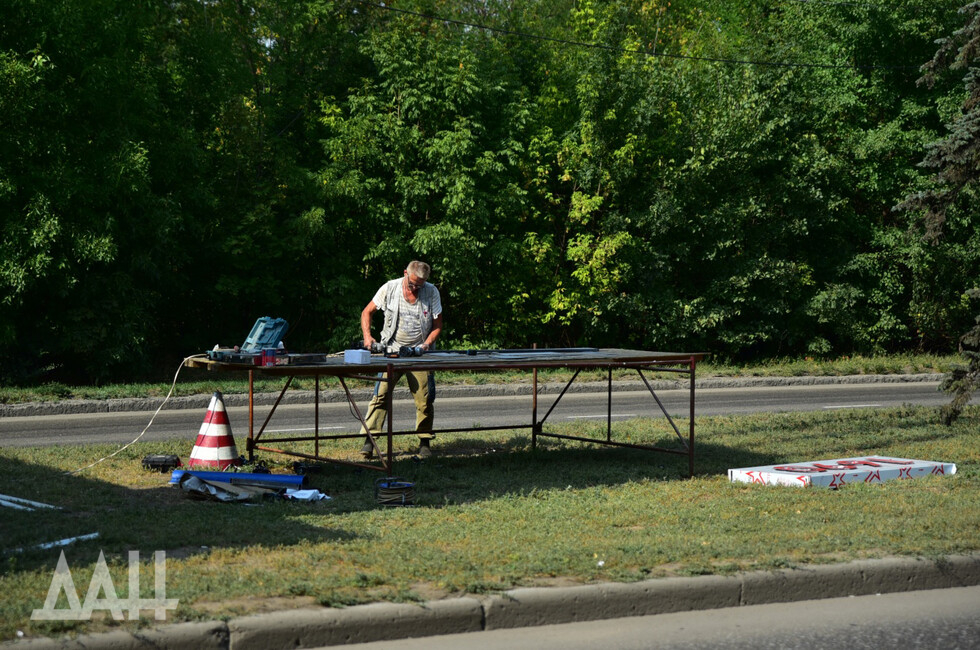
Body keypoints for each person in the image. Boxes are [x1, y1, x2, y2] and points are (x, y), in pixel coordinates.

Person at [360, 260, 443, 458]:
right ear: (405, 273)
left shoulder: (431, 292)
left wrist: (425, 345)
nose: (416, 288)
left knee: (424, 399)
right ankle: (369, 441)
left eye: (420, 285)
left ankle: (424, 441)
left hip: (419, 355)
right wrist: (367, 337)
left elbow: (438, 325)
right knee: (380, 396)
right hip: (391, 352)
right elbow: (366, 312)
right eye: (413, 284)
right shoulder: (390, 287)